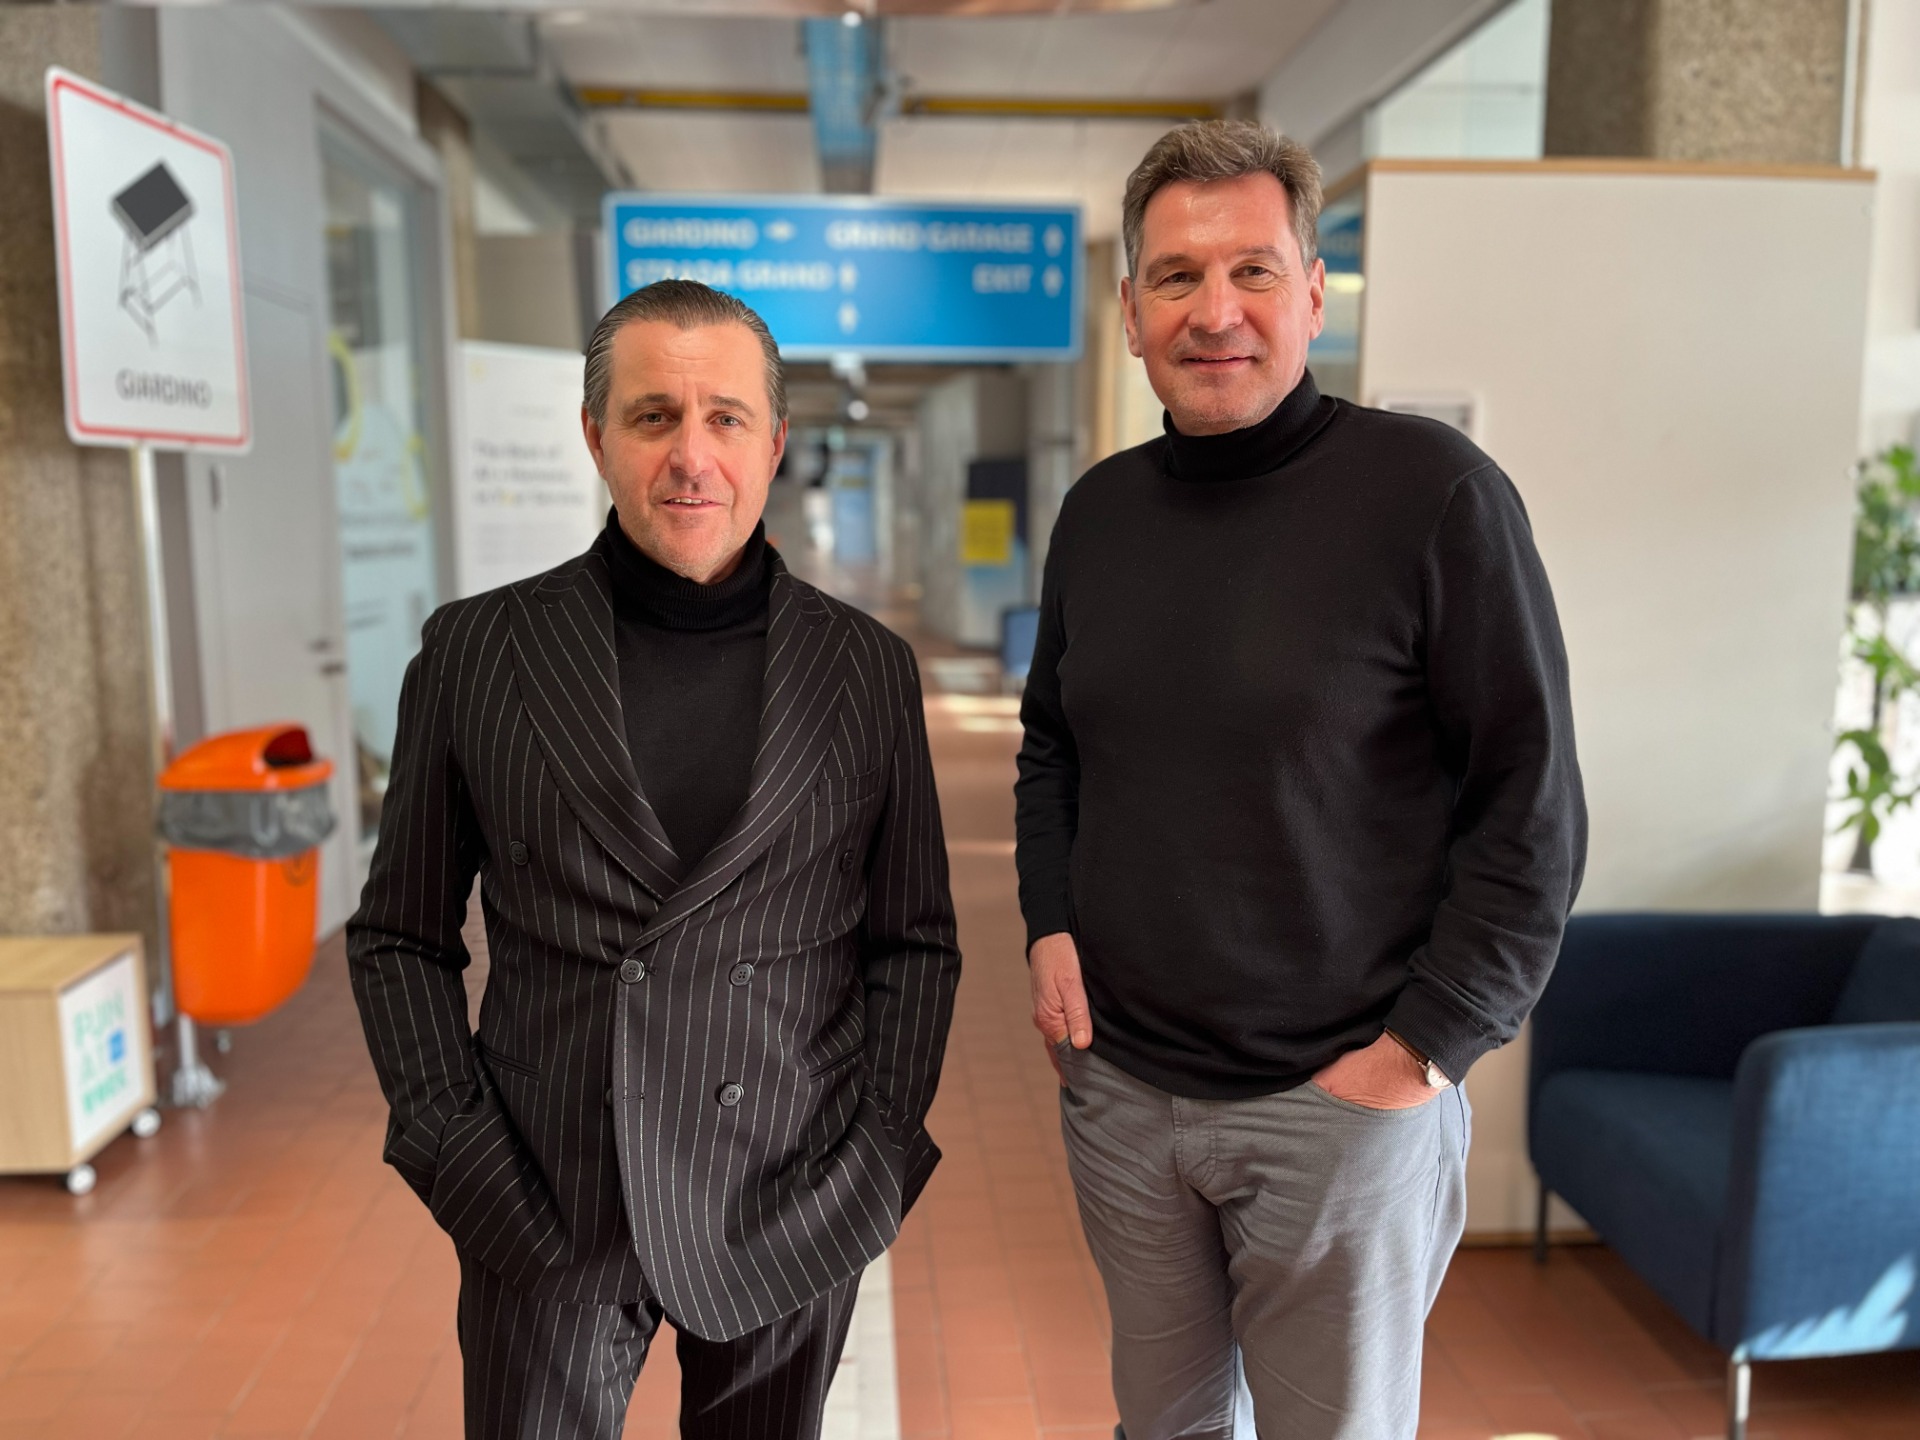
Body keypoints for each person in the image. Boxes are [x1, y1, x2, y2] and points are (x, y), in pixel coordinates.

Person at [1015, 120, 1586, 1440]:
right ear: (1131, 312)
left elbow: (1531, 802)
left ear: (1315, 294)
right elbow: (1054, 742)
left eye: (1254, 271)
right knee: (1163, 1428)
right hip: (1125, 1093)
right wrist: (1049, 923)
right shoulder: (1100, 512)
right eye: (1177, 277)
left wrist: (1425, 1050)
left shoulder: (1434, 496)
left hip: (1337, 1104)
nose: (1215, 312)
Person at [349, 280, 959, 1440]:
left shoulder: (866, 668)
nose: (691, 456)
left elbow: (913, 941)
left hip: (789, 1200)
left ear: (775, 443)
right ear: (596, 437)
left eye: (726, 418)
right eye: (652, 417)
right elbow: (399, 935)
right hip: (548, 1196)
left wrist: (874, 1156)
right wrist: (453, 1147)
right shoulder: (479, 650)